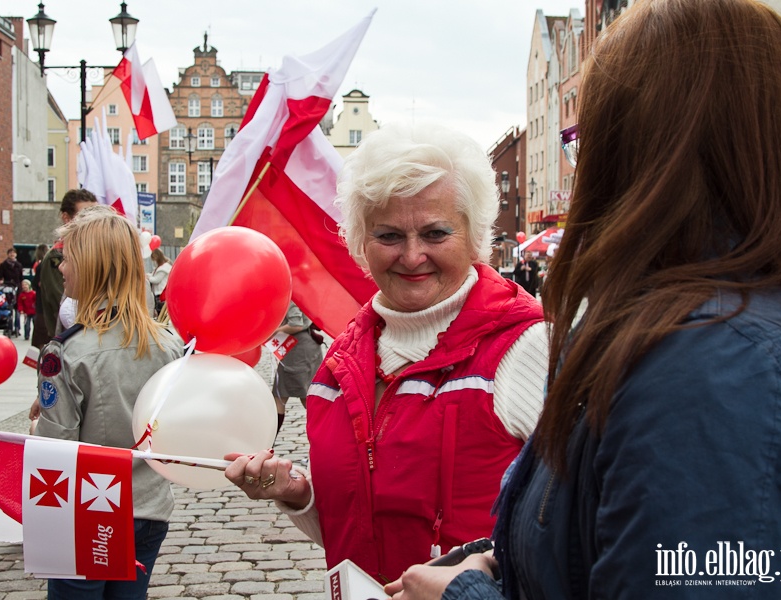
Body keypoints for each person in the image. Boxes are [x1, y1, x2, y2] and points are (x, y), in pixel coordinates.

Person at [386, 1, 781, 598]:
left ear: (636, 149)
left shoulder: (713, 368)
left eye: (584, 138)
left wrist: (463, 595)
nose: (579, 162)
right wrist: (493, 563)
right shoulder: (673, 327)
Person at [225, 122, 549, 582]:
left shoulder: (526, 349)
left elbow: (580, 531)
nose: (412, 255)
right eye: (389, 236)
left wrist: (480, 580)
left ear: (474, 235)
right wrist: (298, 494)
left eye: (436, 234)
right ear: (361, 241)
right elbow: (357, 530)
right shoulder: (337, 368)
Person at [32, 206, 184, 599]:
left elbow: (56, 448)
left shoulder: (67, 353)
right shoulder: (170, 345)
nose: (61, 267)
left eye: (67, 257)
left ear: (91, 266)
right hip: (149, 506)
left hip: (90, 510)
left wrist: (36, 429)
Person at [39, 189, 97, 337]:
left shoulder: (90, 251)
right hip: (69, 341)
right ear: (66, 218)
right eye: (85, 215)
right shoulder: (56, 257)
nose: (93, 221)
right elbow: (69, 307)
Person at [270, 301, 323, 432]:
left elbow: (296, 325)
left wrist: (273, 331)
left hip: (299, 350)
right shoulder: (298, 294)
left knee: (304, 396)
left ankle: (323, 433)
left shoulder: (291, 297)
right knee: (282, 395)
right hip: (299, 349)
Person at [0, 247, 23, 336]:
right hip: (7, 288)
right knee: (8, 308)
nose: (12, 255)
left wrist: (21, 287)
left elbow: (21, 278)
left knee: (17, 309)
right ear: (8, 254)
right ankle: (8, 327)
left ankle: (17, 328)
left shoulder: (18, 265)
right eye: (10, 253)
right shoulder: (3, 265)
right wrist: (0, 282)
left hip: (17, 289)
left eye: (14, 253)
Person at [30, 244, 51, 349]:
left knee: (41, 336)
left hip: (42, 306)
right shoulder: (52, 264)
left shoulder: (41, 266)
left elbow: (35, 284)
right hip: (52, 304)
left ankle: (44, 360)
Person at [146, 248, 171, 317]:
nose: (154, 261)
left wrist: (147, 277)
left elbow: (156, 280)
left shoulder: (164, 268)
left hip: (160, 293)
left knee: (160, 312)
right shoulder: (160, 267)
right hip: (158, 294)